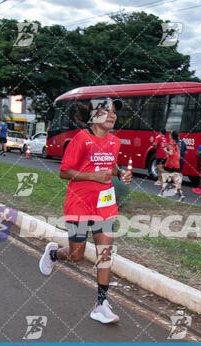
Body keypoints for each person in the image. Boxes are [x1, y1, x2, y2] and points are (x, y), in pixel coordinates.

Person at [39, 97, 131, 324]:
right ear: (94, 115)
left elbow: (110, 165)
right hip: (79, 203)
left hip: (105, 204)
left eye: (114, 113)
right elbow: (65, 172)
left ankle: (101, 304)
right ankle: (53, 253)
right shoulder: (81, 139)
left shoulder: (114, 142)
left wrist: (120, 174)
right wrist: (92, 176)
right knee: (76, 255)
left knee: (105, 253)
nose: (113, 116)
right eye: (107, 112)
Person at [159, 131, 184, 201]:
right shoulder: (177, 144)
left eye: (170, 134)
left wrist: (165, 150)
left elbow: (170, 153)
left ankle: (162, 193)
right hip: (177, 164)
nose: (169, 135)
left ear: (172, 136)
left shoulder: (170, 144)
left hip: (170, 163)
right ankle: (181, 194)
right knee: (176, 180)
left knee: (163, 176)